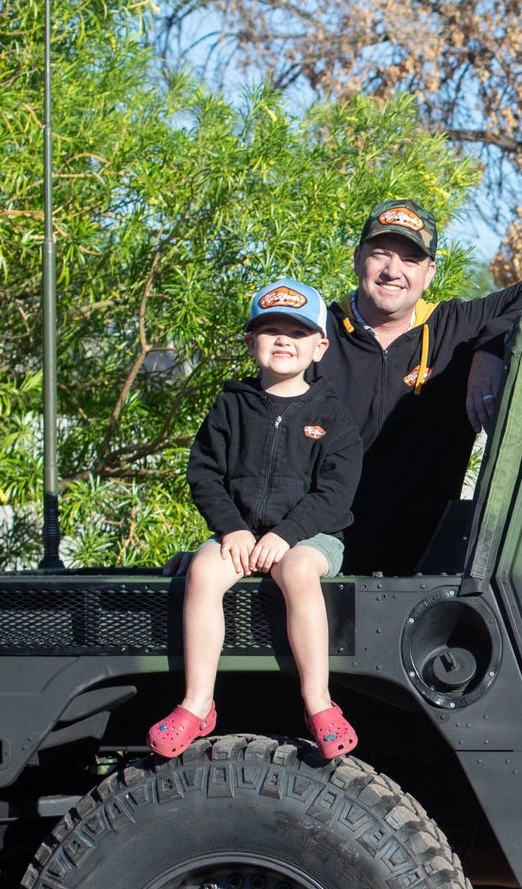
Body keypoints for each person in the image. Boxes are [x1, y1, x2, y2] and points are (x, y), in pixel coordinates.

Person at [311, 198, 522, 576]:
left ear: (430, 272)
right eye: (380, 254)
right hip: (316, 558)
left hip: (421, 573)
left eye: (411, 260)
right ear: (358, 258)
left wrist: (489, 347)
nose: (393, 271)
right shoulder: (311, 334)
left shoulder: (456, 327)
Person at [150, 280, 364, 761]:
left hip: (311, 537)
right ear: (251, 344)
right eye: (270, 330)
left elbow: (336, 492)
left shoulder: (333, 416)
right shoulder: (231, 407)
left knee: (298, 572)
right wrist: (233, 529)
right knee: (204, 571)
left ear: (320, 346)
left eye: (298, 331)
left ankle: (318, 703)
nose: (283, 339)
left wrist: (287, 535)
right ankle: (198, 703)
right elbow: (204, 474)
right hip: (240, 535)